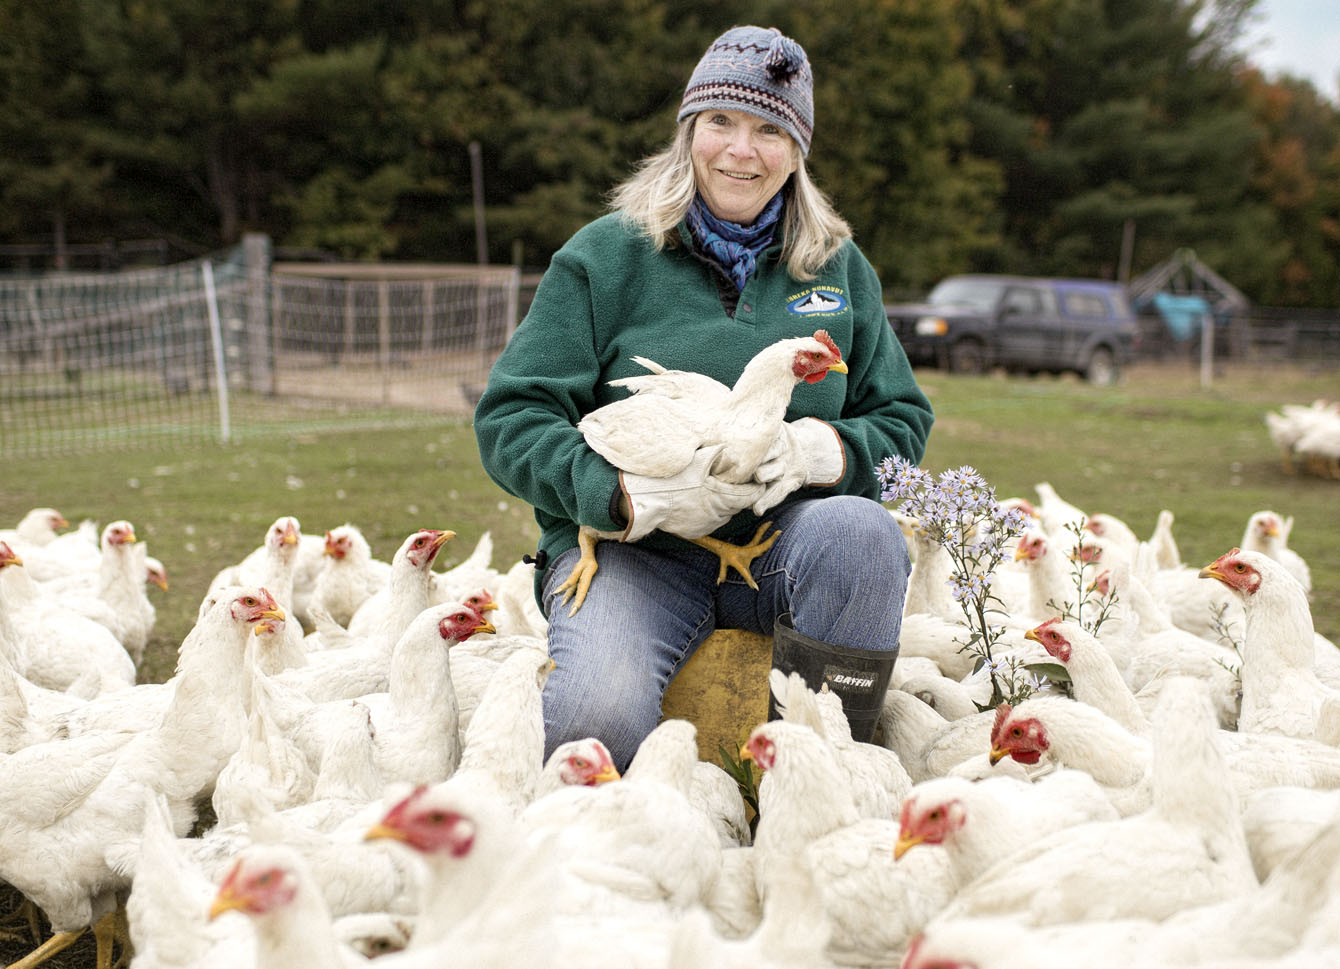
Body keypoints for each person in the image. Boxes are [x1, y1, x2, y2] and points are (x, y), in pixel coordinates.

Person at [474, 24, 934, 768]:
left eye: (768, 130)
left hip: (786, 542)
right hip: (632, 554)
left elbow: (902, 419)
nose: (740, 151)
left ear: (797, 151)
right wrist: (614, 492)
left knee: (862, 534)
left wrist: (819, 451)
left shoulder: (838, 268)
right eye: (720, 122)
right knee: (591, 723)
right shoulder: (606, 256)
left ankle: (831, 776)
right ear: (690, 132)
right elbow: (512, 417)